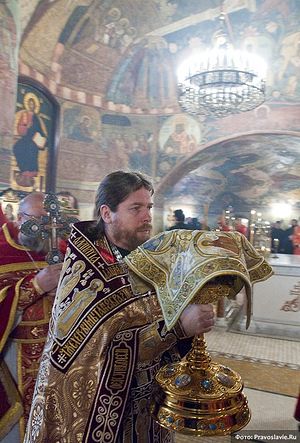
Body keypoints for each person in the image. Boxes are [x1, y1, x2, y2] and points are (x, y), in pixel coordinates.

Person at [25, 171, 273, 443]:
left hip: (150, 404)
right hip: (104, 417)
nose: (147, 216)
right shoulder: (87, 274)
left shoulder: (148, 258)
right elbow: (93, 356)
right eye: (136, 208)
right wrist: (178, 327)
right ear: (107, 213)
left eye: (149, 207)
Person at [0, 192, 63, 442]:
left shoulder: (60, 249)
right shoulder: (2, 250)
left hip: (55, 360)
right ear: (19, 217)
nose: (44, 229)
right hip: (11, 358)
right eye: (36, 220)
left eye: (50, 223)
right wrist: (35, 286)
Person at [13, 94, 47, 188]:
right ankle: (24, 169)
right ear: (27, 105)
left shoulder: (36, 118)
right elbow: (19, 128)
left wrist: (42, 138)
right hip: (25, 138)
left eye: (33, 104)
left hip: (34, 140)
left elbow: (40, 131)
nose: (31, 106)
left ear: (35, 106)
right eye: (30, 104)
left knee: (31, 148)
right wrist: (25, 127)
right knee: (17, 147)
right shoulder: (24, 115)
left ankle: (31, 170)